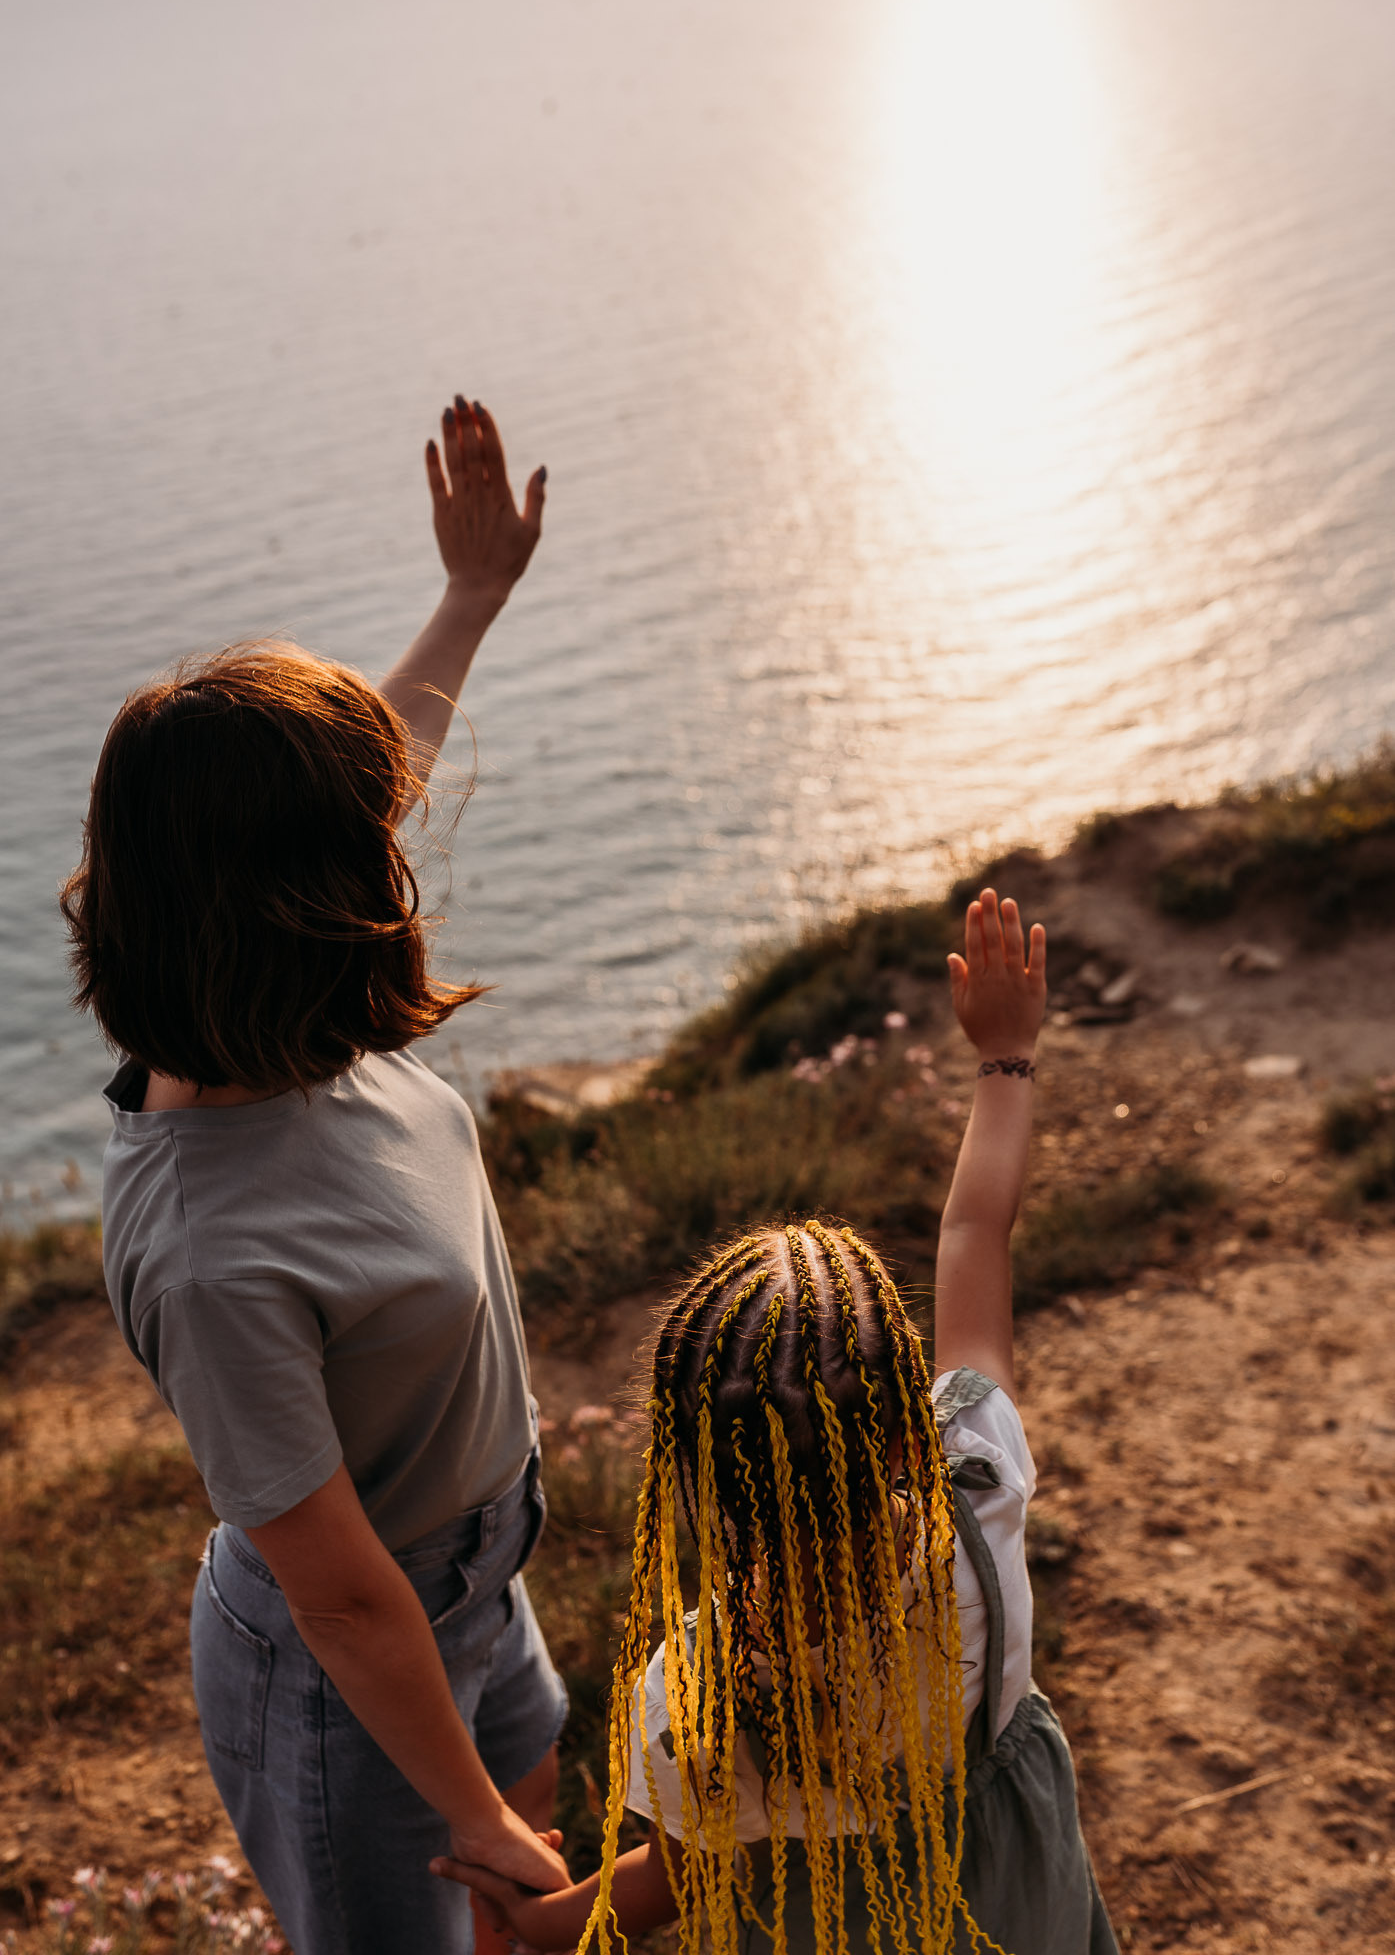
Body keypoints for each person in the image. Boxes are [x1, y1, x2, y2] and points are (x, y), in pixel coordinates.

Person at [61, 397, 569, 1955]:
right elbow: (343, 1598)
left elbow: (374, 765)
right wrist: (470, 1817)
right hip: (353, 1678)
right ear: (298, 905)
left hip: (483, 1578)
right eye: (367, 844)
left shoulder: (293, 1025)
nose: (398, 847)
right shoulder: (215, 1247)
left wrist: (471, 594)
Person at [439, 889, 1118, 1955]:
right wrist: (1005, 1055)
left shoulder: (698, 1692)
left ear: (698, 1472)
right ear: (907, 1432)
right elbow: (975, 1228)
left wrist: (541, 1914)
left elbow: (678, 1878)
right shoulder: (978, 1498)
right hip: (1016, 1904)